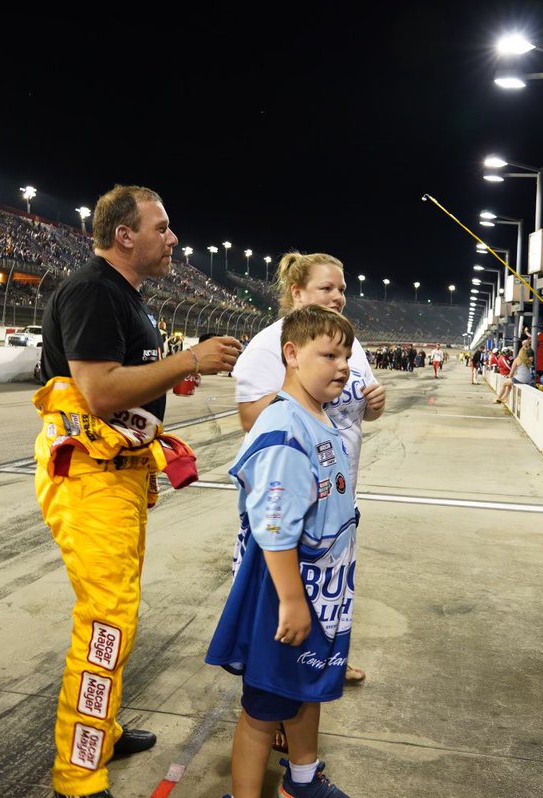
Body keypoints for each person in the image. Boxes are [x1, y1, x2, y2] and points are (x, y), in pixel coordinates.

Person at [32, 184, 241, 798]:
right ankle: (78, 775)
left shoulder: (126, 297)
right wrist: (186, 363)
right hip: (90, 480)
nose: (173, 238)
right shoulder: (95, 290)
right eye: (162, 227)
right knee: (107, 619)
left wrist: (159, 385)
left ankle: (103, 727)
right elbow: (97, 390)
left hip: (118, 477)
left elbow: (119, 380)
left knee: (119, 614)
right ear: (126, 235)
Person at [207, 304, 359, 798]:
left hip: (319, 592)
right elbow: (275, 530)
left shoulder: (318, 415)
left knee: (305, 690)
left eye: (348, 356)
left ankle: (302, 779)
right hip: (285, 593)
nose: (343, 366)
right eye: (330, 354)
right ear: (291, 354)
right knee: (264, 706)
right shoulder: (283, 429)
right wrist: (292, 600)